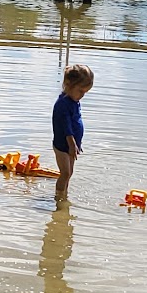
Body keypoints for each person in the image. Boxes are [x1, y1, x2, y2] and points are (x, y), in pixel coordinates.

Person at [52, 63, 92, 195]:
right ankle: (59, 197)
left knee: (69, 173)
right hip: (63, 145)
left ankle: (64, 193)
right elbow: (66, 126)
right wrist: (72, 143)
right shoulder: (63, 104)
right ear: (68, 85)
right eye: (80, 91)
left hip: (72, 145)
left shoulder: (74, 101)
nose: (82, 95)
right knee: (65, 173)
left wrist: (77, 143)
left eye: (85, 92)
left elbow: (75, 121)